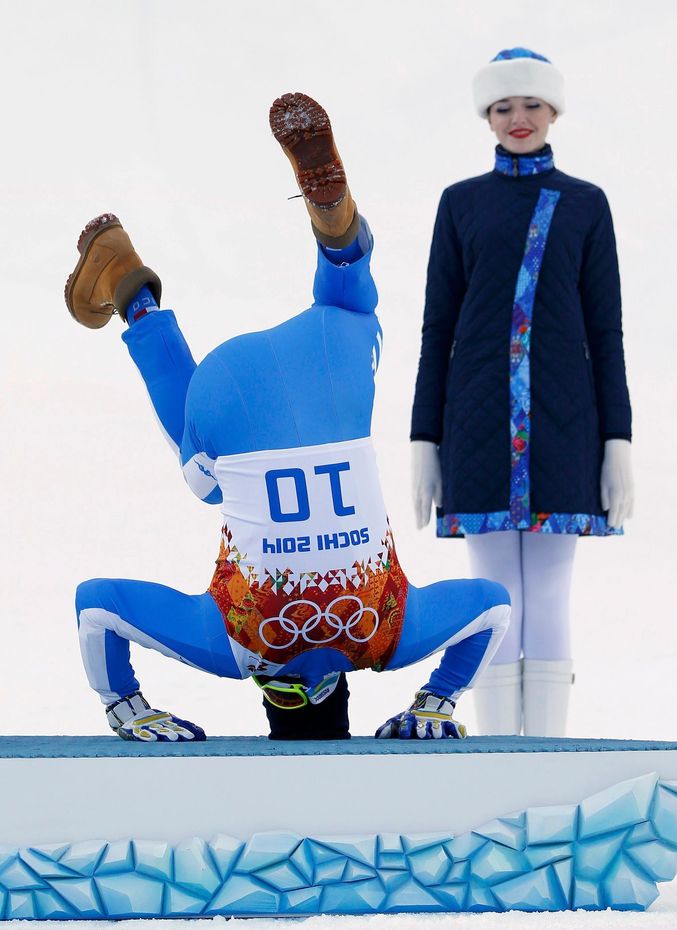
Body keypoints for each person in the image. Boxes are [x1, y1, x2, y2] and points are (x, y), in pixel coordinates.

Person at [66, 92, 511, 743]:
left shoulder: (389, 636)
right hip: (226, 395)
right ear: (272, 698)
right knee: (208, 477)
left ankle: (338, 243)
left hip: (326, 368)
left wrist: (435, 702)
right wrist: (126, 706)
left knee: (352, 317)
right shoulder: (238, 653)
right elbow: (95, 603)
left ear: (343, 692)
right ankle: (129, 287)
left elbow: (495, 604)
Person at [410, 49, 634, 738]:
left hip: (566, 427)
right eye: (503, 107)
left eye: (531, 104)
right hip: (475, 425)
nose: (518, 118)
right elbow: (436, 325)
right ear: (487, 115)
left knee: (551, 591)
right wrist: (425, 438)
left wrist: (617, 440)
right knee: (495, 596)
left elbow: (607, 328)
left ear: (555, 111)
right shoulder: (460, 204)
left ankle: (548, 751)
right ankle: (501, 753)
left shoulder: (587, 205)